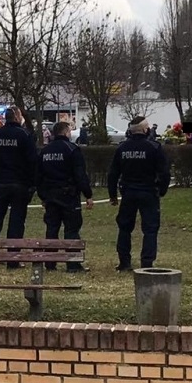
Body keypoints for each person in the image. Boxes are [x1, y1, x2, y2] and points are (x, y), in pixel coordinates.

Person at [105, 115, 172, 272]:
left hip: (128, 193)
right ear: (144, 129)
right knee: (150, 229)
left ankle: (124, 262)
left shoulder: (122, 148)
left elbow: (113, 173)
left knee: (124, 227)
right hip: (149, 193)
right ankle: (147, 263)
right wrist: (161, 190)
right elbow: (164, 172)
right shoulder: (154, 147)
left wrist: (112, 194)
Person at [0, 106, 37, 269]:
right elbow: (33, 163)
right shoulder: (25, 136)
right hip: (20, 185)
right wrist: (32, 185)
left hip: (0, 184)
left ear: (6, 118)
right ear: (17, 118)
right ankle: (13, 259)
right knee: (16, 222)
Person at [37, 119, 92, 272]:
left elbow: (38, 176)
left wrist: (43, 196)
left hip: (50, 196)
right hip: (69, 196)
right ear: (66, 133)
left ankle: (50, 263)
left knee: (52, 229)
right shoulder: (72, 149)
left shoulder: (45, 151)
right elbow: (80, 175)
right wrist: (88, 194)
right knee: (72, 230)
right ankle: (73, 264)